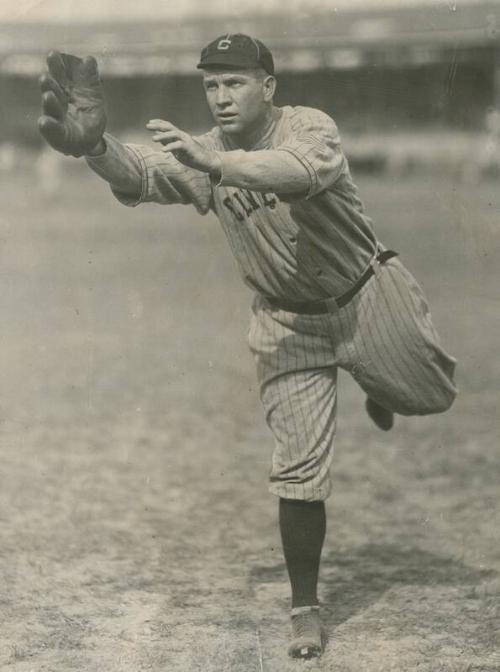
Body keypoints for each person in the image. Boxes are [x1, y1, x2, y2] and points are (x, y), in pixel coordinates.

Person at [38, 34, 457, 660]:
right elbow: (147, 174)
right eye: (211, 84)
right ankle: (305, 609)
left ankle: (379, 382)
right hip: (288, 324)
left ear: (269, 85)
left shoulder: (308, 127)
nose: (220, 96)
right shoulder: (205, 151)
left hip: (367, 296)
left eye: (234, 82)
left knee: (431, 396)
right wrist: (96, 148)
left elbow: (293, 173)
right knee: (298, 470)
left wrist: (216, 167)